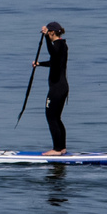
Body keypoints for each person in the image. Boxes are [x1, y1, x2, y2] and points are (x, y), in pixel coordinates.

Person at [30, 22, 68, 155]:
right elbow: (54, 62)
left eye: (48, 33)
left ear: (52, 32)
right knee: (56, 118)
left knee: (51, 117)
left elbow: (52, 51)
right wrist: (39, 64)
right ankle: (61, 148)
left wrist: (45, 37)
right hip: (61, 87)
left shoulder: (58, 45)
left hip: (57, 88)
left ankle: (57, 149)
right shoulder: (62, 45)